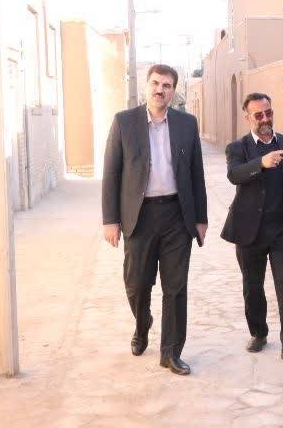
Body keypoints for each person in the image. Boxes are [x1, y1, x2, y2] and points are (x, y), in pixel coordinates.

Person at [102, 64, 208, 375]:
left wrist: (200, 218)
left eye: (167, 85)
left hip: (177, 215)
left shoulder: (187, 124)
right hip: (140, 216)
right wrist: (110, 220)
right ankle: (142, 321)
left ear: (174, 91)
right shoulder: (124, 122)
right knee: (136, 283)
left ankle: (171, 352)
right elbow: (111, 173)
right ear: (146, 86)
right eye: (155, 83)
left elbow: (196, 173)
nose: (160, 90)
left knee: (175, 286)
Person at [221, 92, 283, 361]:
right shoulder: (237, 148)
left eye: (268, 113)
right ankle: (259, 333)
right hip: (249, 231)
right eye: (259, 115)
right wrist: (261, 163)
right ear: (248, 117)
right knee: (253, 286)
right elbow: (234, 175)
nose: (265, 119)